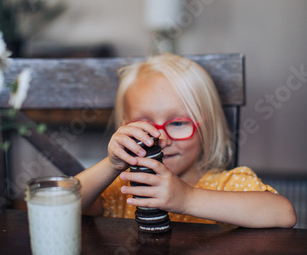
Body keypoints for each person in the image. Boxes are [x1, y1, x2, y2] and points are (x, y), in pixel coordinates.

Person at [76, 53, 296, 228]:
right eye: (146, 124)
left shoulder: (225, 186)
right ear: (124, 126)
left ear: (205, 128)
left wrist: (187, 199)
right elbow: (65, 205)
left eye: (178, 123)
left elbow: (283, 214)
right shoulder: (123, 189)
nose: (162, 138)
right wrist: (112, 164)